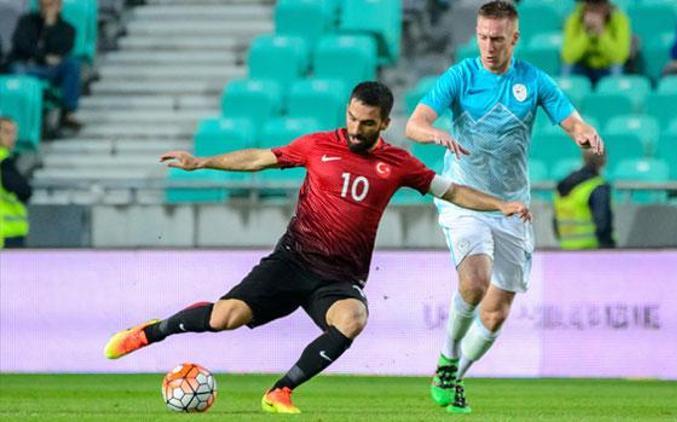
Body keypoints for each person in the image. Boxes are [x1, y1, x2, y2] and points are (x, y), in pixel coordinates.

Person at [103, 82, 532, 415]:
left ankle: (280, 390)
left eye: (367, 123)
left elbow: (452, 191)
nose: (356, 128)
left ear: (384, 123)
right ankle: (148, 333)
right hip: (292, 261)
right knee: (224, 318)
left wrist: (500, 205)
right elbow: (259, 159)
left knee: (353, 318)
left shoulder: (400, 164)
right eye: (352, 117)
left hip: (339, 278)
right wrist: (201, 162)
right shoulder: (317, 145)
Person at [404, 0, 603, 414]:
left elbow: (572, 121)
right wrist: (435, 135)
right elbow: (413, 124)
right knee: (475, 283)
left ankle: (455, 377)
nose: (489, 46)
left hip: (512, 206)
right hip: (464, 199)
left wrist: (584, 134)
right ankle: (446, 358)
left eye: (497, 39)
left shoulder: (533, 81)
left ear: (514, 38)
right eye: (482, 37)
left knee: (495, 315)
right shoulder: (460, 76)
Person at [8, 0, 82, 130]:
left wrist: (49, 26)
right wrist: (43, 57)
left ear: (59, 7)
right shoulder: (26, 22)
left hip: (51, 71)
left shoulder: (68, 29)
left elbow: (61, 52)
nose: (46, 9)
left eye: (50, 5)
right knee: (17, 69)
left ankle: (68, 112)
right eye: (43, 5)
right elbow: (21, 45)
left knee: (73, 65)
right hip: (27, 67)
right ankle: (19, 116)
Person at [552, 150, 614, 249]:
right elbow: (602, 223)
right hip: (591, 252)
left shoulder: (562, 186)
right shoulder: (596, 186)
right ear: (603, 161)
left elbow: (555, 223)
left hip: (565, 250)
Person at [561, 0, 631, 84]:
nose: (594, 8)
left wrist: (601, 33)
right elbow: (568, 56)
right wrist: (586, 33)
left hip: (607, 67)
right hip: (582, 66)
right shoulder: (574, 19)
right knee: (567, 67)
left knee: (617, 68)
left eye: (599, 4)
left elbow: (619, 57)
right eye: (591, 4)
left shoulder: (620, 19)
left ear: (606, 5)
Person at [0, 117, 32, 248]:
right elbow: (24, 191)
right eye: (6, 132)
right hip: (7, 233)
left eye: (14, 133)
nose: (12, 137)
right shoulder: (4, 162)